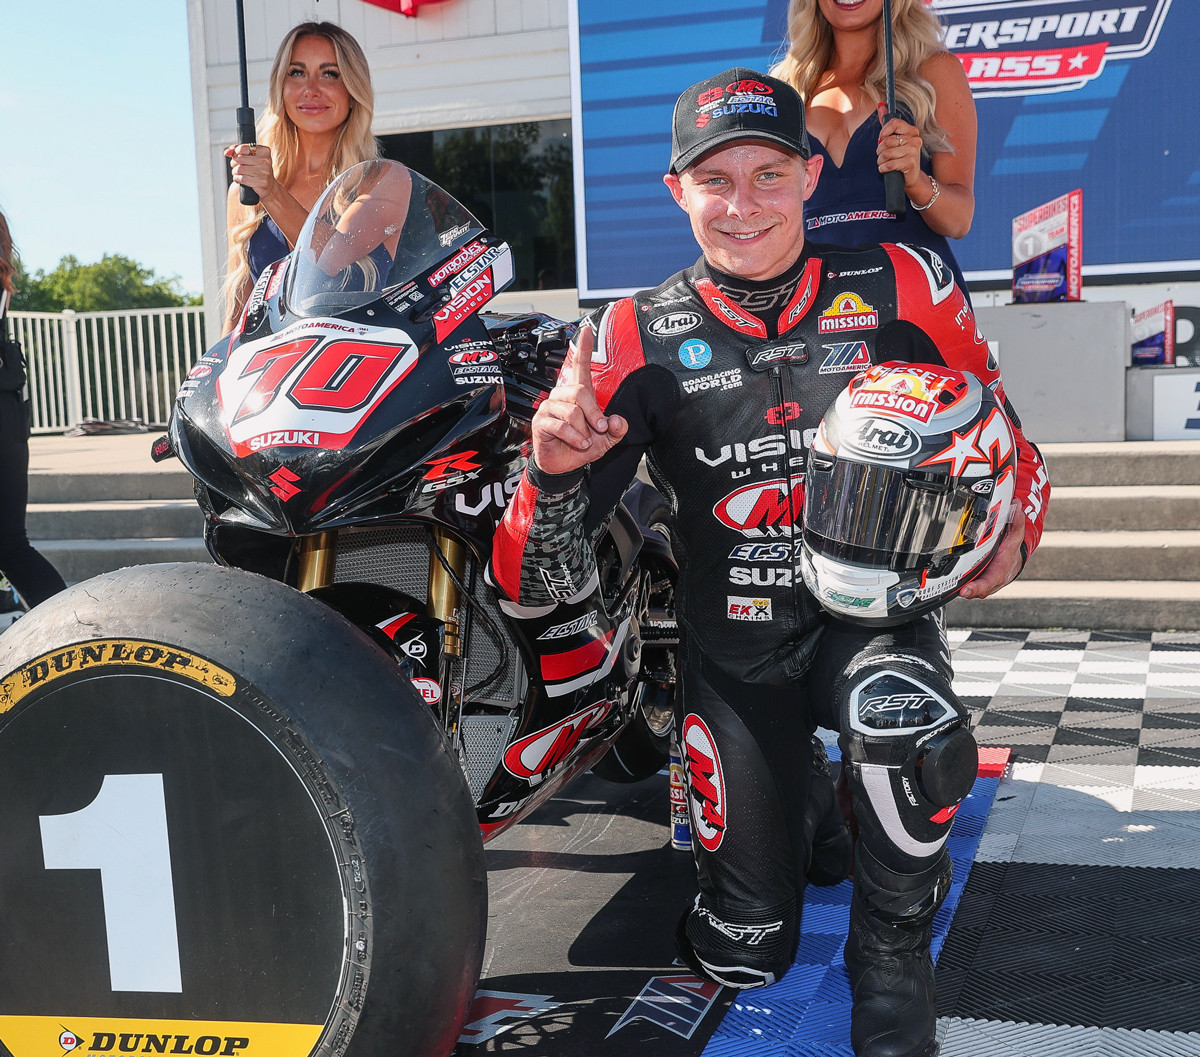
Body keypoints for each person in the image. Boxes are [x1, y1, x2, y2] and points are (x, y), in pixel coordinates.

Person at [488, 68, 1048, 1057]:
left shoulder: (901, 283)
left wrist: (1019, 524)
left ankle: (891, 957)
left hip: (875, 625)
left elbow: (1002, 429)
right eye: (716, 180)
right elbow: (535, 584)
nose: (743, 204)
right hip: (732, 658)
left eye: (769, 174)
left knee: (905, 726)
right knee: (747, 946)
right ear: (677, 191)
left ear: (809, 173)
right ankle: (802, 806)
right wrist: (547, 473)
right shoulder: (627, 334)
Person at [772, 0, 976, 296]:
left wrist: (914, 180)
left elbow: (959, 221)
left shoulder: (932, 71)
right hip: (816, 305)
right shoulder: (786, 88)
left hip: (915, 302)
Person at [222, 21, 379, 333]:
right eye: (297, 72)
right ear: (281, 88)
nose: (311, 88)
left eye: (329, 73)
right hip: (272, 374)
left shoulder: (378, 182)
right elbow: (239, 309)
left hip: (358, 372)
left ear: (352, 91)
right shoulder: (248, 191)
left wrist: (272, 192)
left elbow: (336, 272)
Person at [0, 209, 68, 613]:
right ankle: (71, 628)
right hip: (9, 417)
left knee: (11, 546)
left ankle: (70, 629)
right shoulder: (3, 280)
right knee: (12, 545)